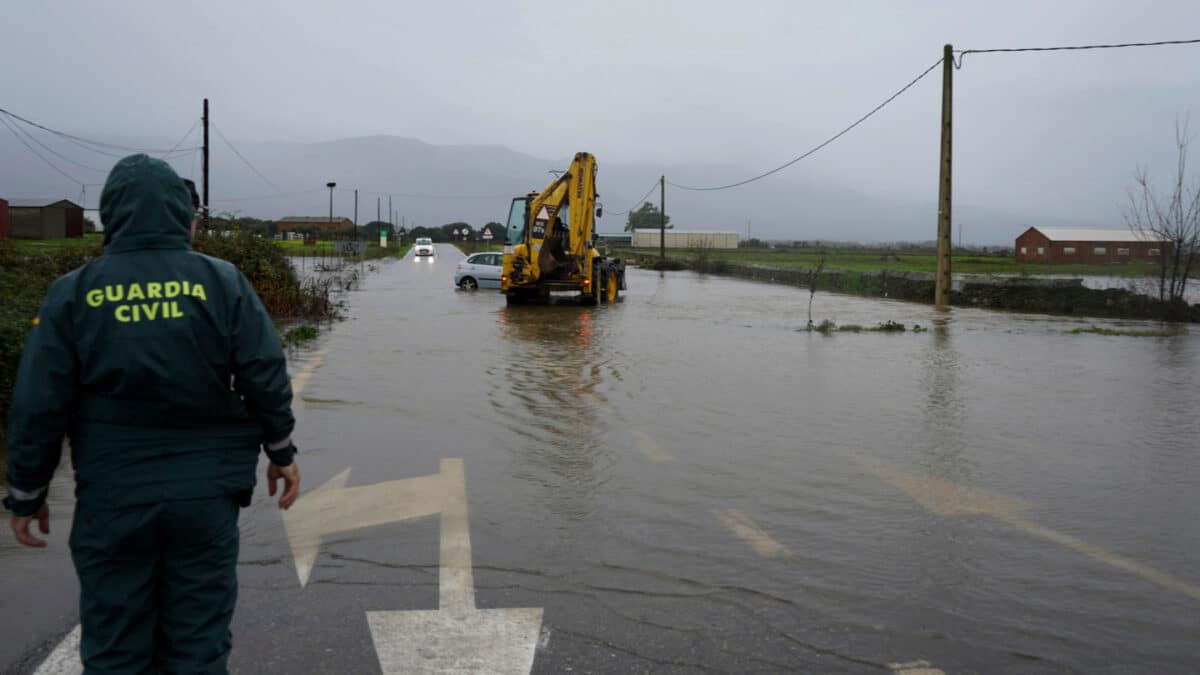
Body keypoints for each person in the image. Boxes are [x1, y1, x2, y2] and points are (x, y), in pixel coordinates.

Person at [4, 154, 301, 672]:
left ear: (111, 215)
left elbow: (38, 404)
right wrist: (281, 451)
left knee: (117, 650)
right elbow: (265, 373)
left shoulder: (72, 293)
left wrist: (27, 492)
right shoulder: (222, 282)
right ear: (182, 216)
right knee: (198, 646)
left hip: (114, 499)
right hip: (205, 500)